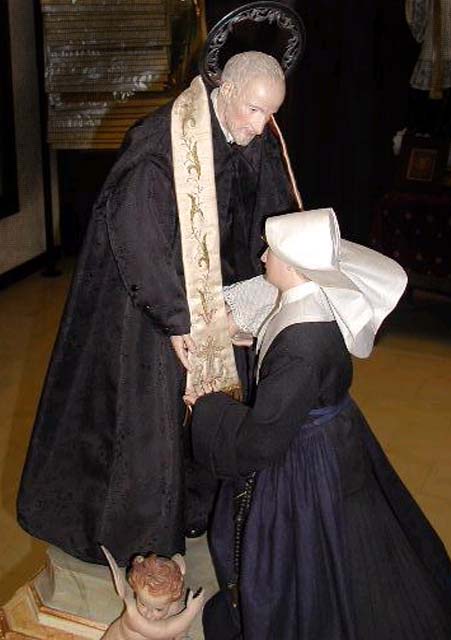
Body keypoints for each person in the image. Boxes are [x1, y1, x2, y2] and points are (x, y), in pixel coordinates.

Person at [17, 51, 299, 566]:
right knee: (147, 415)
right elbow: (137, 234)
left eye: (271, 114)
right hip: (148, 304)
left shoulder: (252, 136)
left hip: (219, 296)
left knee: (213, 404)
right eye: (255, 111)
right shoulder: (158, 144)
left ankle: (198, 506)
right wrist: (175, 317)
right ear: (228, 90)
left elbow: (268, 205)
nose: (261, 127)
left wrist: (268, 285)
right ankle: (136, 533)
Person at [186, 208, 451, 639]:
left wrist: (207, 408)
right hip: (330, 432)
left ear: (295, 266)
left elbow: (261, 439)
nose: (263, 257)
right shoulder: (313, 300)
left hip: (305, 453)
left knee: (298, 549)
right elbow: (287, 339)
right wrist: (253, 337)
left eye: (271, 252)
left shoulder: (302, 348)